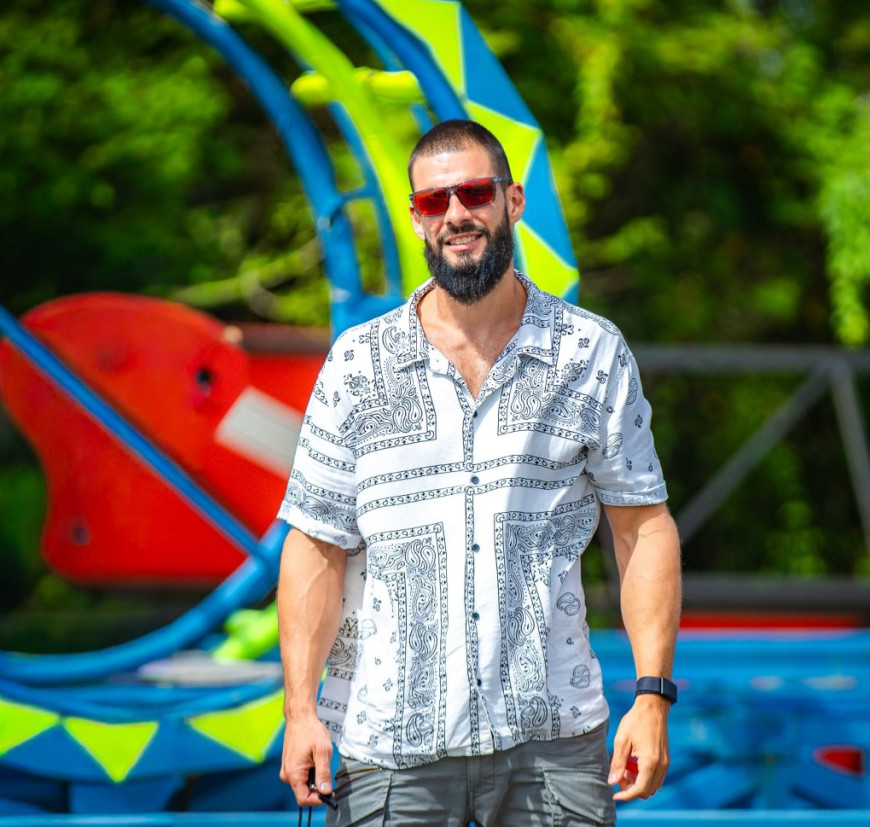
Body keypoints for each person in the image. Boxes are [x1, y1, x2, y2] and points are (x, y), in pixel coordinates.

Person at [276, 119, 681, 826]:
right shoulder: (356, 364)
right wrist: (300, 711)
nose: (456, 214)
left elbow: (642, 525)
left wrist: (652, 697)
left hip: (553, 742)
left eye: (475, 193)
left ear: (513, 201)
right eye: (435, 200)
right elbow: (315, 543)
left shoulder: (589, 351)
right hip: (392, 749)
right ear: (416, 218)